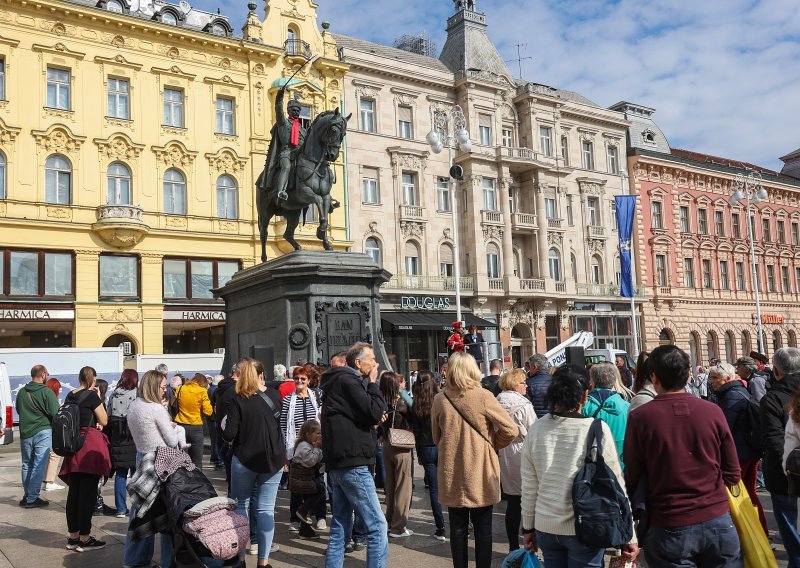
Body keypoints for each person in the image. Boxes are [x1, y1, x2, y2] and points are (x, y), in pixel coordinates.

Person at [624, 345, 742, 567]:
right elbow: (733, 472)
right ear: (689, 374)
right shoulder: (712, 411)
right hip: (717, 519)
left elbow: (632, 471)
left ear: (654, 377)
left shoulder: (641, 417)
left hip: (668, 522)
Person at [521, 365, 637, 567]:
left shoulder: (536, 429)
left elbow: (529, 486)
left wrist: (528, 527)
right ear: (585, 394)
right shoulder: (596, 429)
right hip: (586, 525)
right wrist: (630, 535)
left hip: (546, 526)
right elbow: (616, 484)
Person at [432, 351, 518, 568]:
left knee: (457, 529)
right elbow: (511, 429)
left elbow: (436, 437)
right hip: (480, 469)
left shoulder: (440, 399)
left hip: (452, 470)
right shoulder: (483, 396)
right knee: (483, 528)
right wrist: (491, 444)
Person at [321, 342, 389, 568]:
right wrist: (373, 383)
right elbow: (374, 411)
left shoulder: (337, 382)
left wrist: (372, 416)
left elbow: (363, 415)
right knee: (378, 526)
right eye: (372, 358)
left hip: (340, 463)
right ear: (359, 362)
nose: (375, 363)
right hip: (353, 463)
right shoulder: (349, 381)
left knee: (340, 525)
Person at [223, 358, 286, 568]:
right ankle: (263, 561)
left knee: (241, 507)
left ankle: (240, 559)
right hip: (273, 458)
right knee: (266, 510)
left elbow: (230, 433)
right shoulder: (275, 394)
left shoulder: (237, 398)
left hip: (245, 458)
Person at [122, 370, 182, 568]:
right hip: (160, 460)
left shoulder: (134, 405)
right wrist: (172, 427)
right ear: (153, 386)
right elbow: (172, 441)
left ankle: (135, 559)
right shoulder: (156, 409)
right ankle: (168, 562)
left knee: (140, 512)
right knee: (168, 512)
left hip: (142, 457)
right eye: (163, 387)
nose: (165, 391)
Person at [708, 362, 768, 534]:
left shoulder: (731, 396)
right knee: (749, 493)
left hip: (739, 454)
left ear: (726, 378)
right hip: (750, 451)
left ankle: (745, 533)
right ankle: (759, 532)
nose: (712, 382)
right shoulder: (740, 390)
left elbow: (724, 429)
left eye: (715, 378)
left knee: (735, 495)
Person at [60, 366, 110, 552]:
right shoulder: (92, 396)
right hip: (88, 446)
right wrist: (97, 395)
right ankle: (85, 539)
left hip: (73, 446)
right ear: (93, 379)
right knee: (88, 495)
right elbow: (104, 420)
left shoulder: (70, 395)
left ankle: (73, 537)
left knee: (74, 494)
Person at [761, 347, 800, 566]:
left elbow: (774, 442)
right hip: (787, 475)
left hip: (786, 478)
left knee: (795, 547)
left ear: (776, 370)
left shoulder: (773, 399)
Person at [496, 368, 536, 552]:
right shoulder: (524, 405)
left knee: (512, 502)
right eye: (523, 382)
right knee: (529, 500)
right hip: (523, 451)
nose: (526, 385)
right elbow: (534, 430)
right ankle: (530, 543)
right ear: (514, 384)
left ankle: (513, 545)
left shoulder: (496, 402)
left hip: (504, 452)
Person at [281, 363, 322, 538]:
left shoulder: (316, 397)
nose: (299, 381)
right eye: (296, 378)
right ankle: (295, 519)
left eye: (302, 378)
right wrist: (284, 453)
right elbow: (283, 425)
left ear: (309, 380)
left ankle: (318, 515)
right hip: (295, 447)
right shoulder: (288, 400)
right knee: (297, 485)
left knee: (318, 483)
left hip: (316, 446)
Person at [409, 369, 447, 541]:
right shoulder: (441, 400)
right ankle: (461, 523)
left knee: (434, 488)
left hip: (425, 446)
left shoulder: (416, 403)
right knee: (449, 485)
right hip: (442, 445)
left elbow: (415, 430)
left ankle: (440, 527)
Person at [16, 364, 60, 508]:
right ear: (43, 375)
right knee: (39, 464)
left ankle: (28, 495)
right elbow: (55, 412)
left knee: (26, 464)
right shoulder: (46, 392)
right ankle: (32, 498)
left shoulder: (22, 392)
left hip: (25, 432)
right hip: (42, 431)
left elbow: (19, 409)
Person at [379, 370, 414, 538]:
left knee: (391, 486)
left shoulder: (379, 401)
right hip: (401, 445)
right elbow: (415, 407)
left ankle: (389, 520)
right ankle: (398, 527)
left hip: (386, 444)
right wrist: (402, 391)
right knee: (403, 487)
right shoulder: (400, 402)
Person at [263, 84, 307, 202]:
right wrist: (280, 95)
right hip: (287, 152)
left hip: (300, 154)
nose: (296, 112)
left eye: (298, 110)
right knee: (286, 167)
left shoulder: (302, 129)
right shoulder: (284, 123)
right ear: (289, 111)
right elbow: (278, 107)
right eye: (294, 110)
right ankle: (281, 191)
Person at [582, 362, 630, 464]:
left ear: (592, 380)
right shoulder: (627, 407)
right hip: (620, 465)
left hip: (593, 467)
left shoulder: (585, 407)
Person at [107, 368, 139, 518]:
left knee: (120, 474)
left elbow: (108, 415)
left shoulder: (113, 394)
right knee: (136, 474)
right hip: (134, 439)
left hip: (118, 439)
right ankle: (137, 506)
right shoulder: (137, 394)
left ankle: (120, 508)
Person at [291, 419, 326, 533]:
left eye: (321, 433)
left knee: (310, 501)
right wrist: (317, 448)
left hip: (307, 479)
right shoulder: (303, 446)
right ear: (308, 434)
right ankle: (302, 511)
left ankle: (305, 531)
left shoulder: (311, 445)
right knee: (320, 490)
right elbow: (311, 461)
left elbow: (318, 459)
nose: (320, 435)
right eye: (317, 433)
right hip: (302, 479)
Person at [172, 372, 213, 469]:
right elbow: (208, 411)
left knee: (181, 460)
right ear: (203, 383)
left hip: (180, 425)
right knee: (197, 461)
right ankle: (197, 482)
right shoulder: (202, 391)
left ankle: (183, 482)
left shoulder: (180, 388)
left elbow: (174, 405)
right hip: (195, 427)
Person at [42, 377, 65, 492]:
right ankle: (49, 482)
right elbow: (56, 414)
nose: (60, 391)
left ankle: (45, 481)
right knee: (54, 455)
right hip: (52, 430)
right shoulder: (52, 398)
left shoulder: (43, 396)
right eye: (59, 388)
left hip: (44, 430)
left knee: (47, 456)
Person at [207, 374, 225, 470]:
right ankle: (218, 460)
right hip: (215, 418)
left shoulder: (210, 389)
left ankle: (215, 458)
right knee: (217, 440)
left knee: (214, 439)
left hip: (210, 417)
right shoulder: (216, 390)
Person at [525, 353, 551, 418]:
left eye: (530, 367)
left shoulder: (529, 384)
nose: (529, 370)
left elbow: (527, 407)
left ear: (534, 367)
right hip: (554, 421)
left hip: (536, 421)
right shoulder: (556, 381)